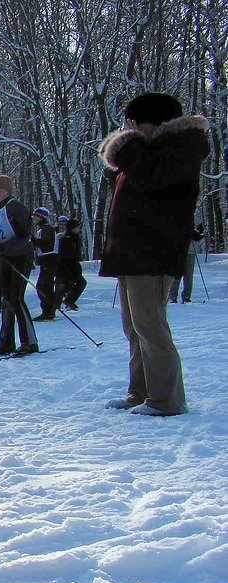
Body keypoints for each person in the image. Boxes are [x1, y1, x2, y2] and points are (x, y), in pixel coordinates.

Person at [98, 92, 209, 416]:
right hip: (133, 253)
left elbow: (149, 179)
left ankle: (166, 399)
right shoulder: (151, 151)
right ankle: (141, 392)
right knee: (134, 329)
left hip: (154, 252)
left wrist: (130, 144)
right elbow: (121, 177)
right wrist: (128, 145)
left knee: (151, 327)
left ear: (155, 123)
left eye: (134, 124)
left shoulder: (181, 147)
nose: (128, 129)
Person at [0, 175, 38, 355]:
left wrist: (5, 247)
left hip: (20, 256)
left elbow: (25, 235)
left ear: (7, 190)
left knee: (16, 298)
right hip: (6, 258)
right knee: (6, 299)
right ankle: (6, 342)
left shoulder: (15, 206)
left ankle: (30, 342)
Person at [31, 206, 60, 321]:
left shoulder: (46, 229)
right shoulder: (43, 229)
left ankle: (48, 311)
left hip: (49, 260)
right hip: (47, 261)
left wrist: (33, 240)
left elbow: (46, 244)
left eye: (35, 216)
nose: (34, 218)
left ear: (41, 217)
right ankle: (49, 310)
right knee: (44, 286)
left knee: (43, 287)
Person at [56, 218, 86, 311]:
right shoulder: (66, 239)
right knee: (64, 286)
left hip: (73, 267)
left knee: (79, 284)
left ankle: (68, 301)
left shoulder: (75, 238)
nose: (78, 229)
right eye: (77, 228)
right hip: (66, 268)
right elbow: (66, 256)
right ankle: (56, 304)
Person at [170, 225, 203, 303]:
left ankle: (187, 296)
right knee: (177, 274)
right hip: (178, 251)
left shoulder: (197, 220)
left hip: (191, 251)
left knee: (188, 275)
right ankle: (173, 296)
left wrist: (195, 235)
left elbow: (200, 234)